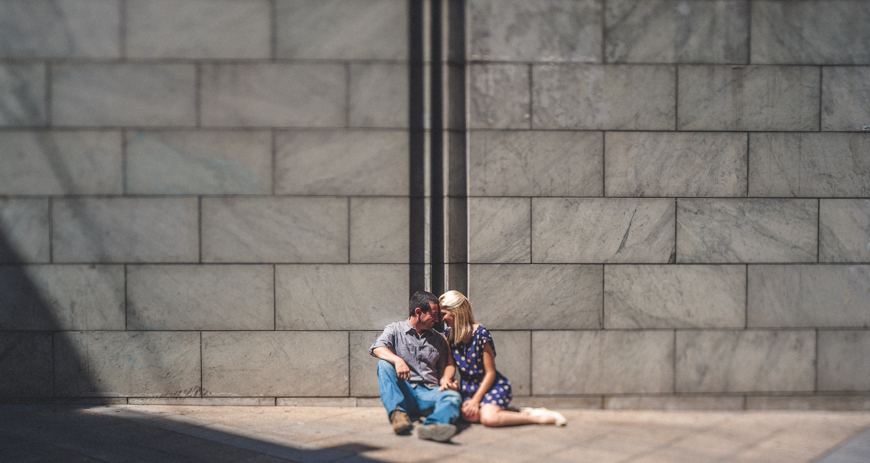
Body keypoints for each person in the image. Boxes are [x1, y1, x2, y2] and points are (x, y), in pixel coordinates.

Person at [439, 290, 567, 427]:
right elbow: (450, 365)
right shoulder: (448, 336)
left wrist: (476, 400)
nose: (442, 319)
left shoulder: (481, 335)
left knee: (489, 419)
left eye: (444, 314)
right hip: (468, 387)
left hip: (491, 385)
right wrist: (446, 379)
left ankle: (536, 417)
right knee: (471, 416)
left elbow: (490, 373)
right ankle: (510, 412)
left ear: (457, 311)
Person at [370, 291, 462, 442]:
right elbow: (377, 348)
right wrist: (397, 360)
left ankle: (433, 427)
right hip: (405, 394)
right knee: (384, 364)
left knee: (453, 397)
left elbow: (448, 366)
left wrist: (446, 380)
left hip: (430, 394)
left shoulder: (439, 339)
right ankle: (398, 414)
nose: (438, 319)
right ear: (418, 312)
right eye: (434, 314)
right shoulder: (395, 330)